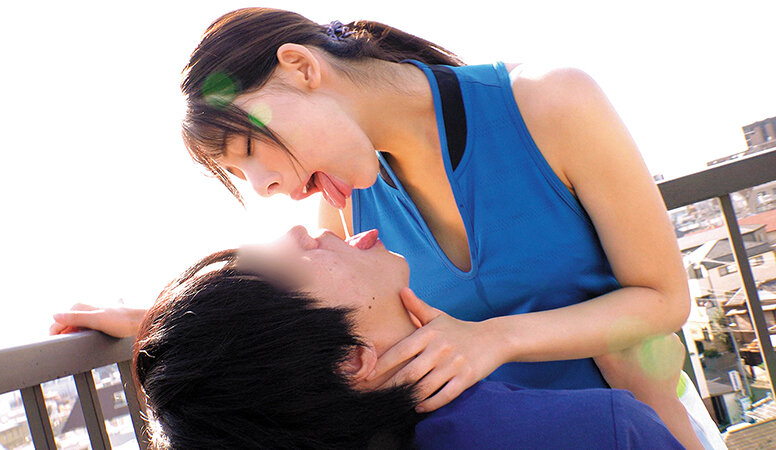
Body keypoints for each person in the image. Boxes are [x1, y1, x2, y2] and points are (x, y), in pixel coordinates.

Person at [52, 7, 723, 448]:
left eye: (251, 152)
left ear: (302, 68)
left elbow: (664, 299)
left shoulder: (551, 100)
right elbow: (300, 314)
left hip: (639, 427)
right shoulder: (347, 198)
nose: (264, 188)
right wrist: (165, 321)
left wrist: (493, 340)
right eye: (241, 176)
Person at [133, 225, 684, 449]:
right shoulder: (598, 429)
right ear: (351, 361)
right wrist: (657, 399)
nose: (298, 230)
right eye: (286, 265)